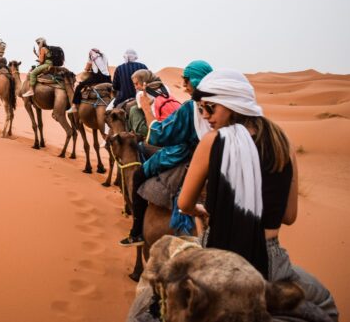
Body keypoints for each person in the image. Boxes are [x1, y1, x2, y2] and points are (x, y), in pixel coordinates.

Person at [178, 69, 338, 320]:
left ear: (232, 104)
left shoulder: (211, 142)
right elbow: (288, 216)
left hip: (220, 253)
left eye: (210, 107)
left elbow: (184, 203)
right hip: (272, 261)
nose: (205, 116)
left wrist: (199, 211)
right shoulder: (283, 142)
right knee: (326, 304)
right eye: (200, 109)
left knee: (149, 304)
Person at [120, 60, 213, 247]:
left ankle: (137, 232)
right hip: (215, 160)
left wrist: (146, 107)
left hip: (184, 154)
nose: (185, 86)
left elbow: (158, 134)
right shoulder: (224, 104)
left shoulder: (192, 108)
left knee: (138, 174)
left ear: (196, 81)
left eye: (187, 81)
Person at [67, 48, 111, 114]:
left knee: (79, 87)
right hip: (107, 78)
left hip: (97, 77)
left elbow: (87, 68)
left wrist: (87, 69)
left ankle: (74, 106)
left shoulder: (91, 56)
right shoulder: (104, 56)